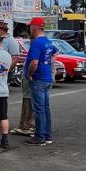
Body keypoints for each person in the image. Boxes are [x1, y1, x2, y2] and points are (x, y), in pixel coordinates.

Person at [25, 16, 55, 145]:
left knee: (38, 109)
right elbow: (55, 53)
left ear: (35, 27)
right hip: (47, 77)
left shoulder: (37, 43)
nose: (29, 29)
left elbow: (34, 62)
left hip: (38, 79)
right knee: (45, 108)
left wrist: (30, 74)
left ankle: (39, 136)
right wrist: (48, 63)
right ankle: (47, 135)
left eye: (30, 26)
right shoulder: (47, 41)